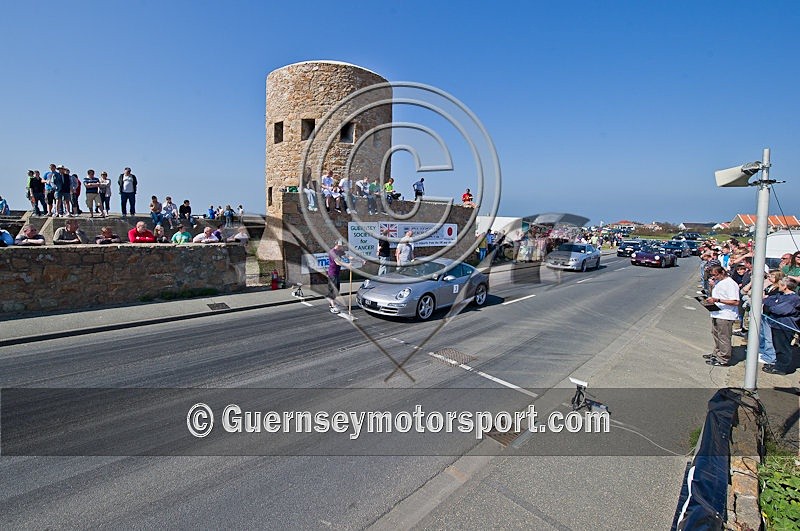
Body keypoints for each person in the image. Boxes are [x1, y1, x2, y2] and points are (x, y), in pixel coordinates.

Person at [703, 266, 740, 367]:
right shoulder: (719, 282)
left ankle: (724, 358)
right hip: (717, 312)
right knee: (716, 333)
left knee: (724, 336)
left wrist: (717, 300)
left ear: (722, 272)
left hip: (726, 314)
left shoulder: (731, 284)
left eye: (716, 275)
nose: (714, 277)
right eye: (713, 275)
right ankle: (717, 353)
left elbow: (735, 301)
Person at [762, 277, 800, 375]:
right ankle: (778, 363)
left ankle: (782, 368)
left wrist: (773, 306)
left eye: (780, 284)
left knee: (783, 347)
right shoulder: (780, 295)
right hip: (776, 324)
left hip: (785, 326)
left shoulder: (794, 298)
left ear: (785, 286)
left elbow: (779, 310)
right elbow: (767, 301)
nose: (778, 286)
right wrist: (773, 304)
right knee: (777, 346)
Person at [326, 240, 349, 313]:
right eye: (341, 246)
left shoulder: (339, 251)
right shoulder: (332, 252)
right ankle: (333, 306)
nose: (342, 247)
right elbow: (337, 262)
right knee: (334, 290)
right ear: (337, 245)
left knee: (337, 289)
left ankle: (332, 303)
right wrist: (347, 265)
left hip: (337, 273)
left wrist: (359, 260)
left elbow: (347, 256)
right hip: (332, 273)